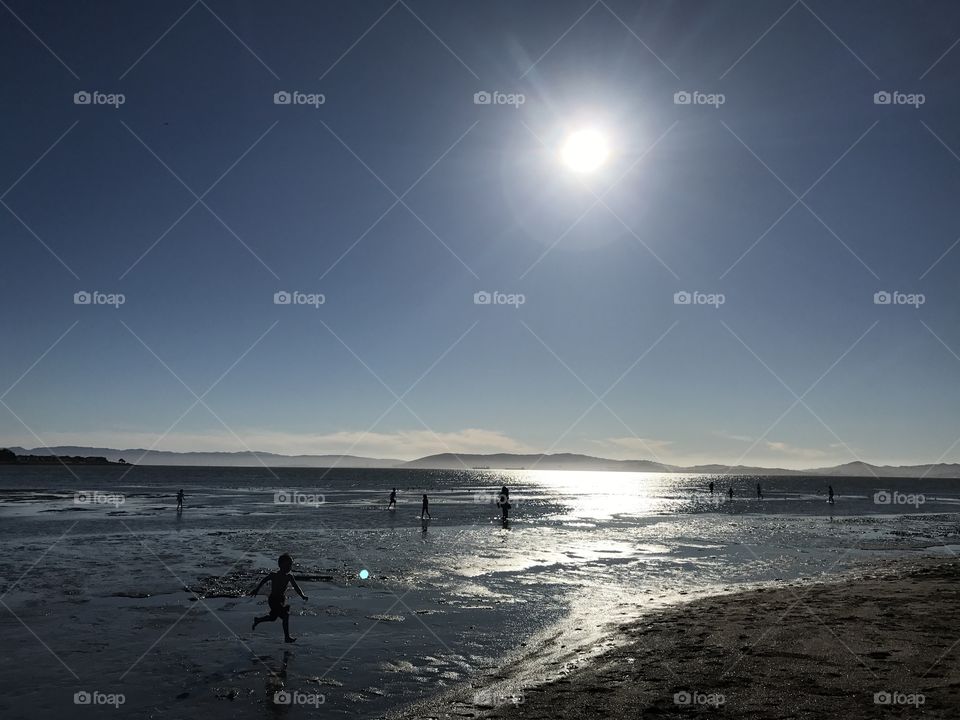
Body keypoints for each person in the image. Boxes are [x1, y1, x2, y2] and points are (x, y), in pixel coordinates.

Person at [251, 553, 308, 643]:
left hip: (281, 600)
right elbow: (264, 580)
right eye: (287, 565)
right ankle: (287, 637)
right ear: (280, 565)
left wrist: (302, 595)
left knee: (273, 618)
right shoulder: (274, 575)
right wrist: (256, 589)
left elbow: (296, 587)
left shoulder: (289, 576)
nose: (289, 567)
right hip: (273, 600)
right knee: (285, 616)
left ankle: (258, 620)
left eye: (290, 565)